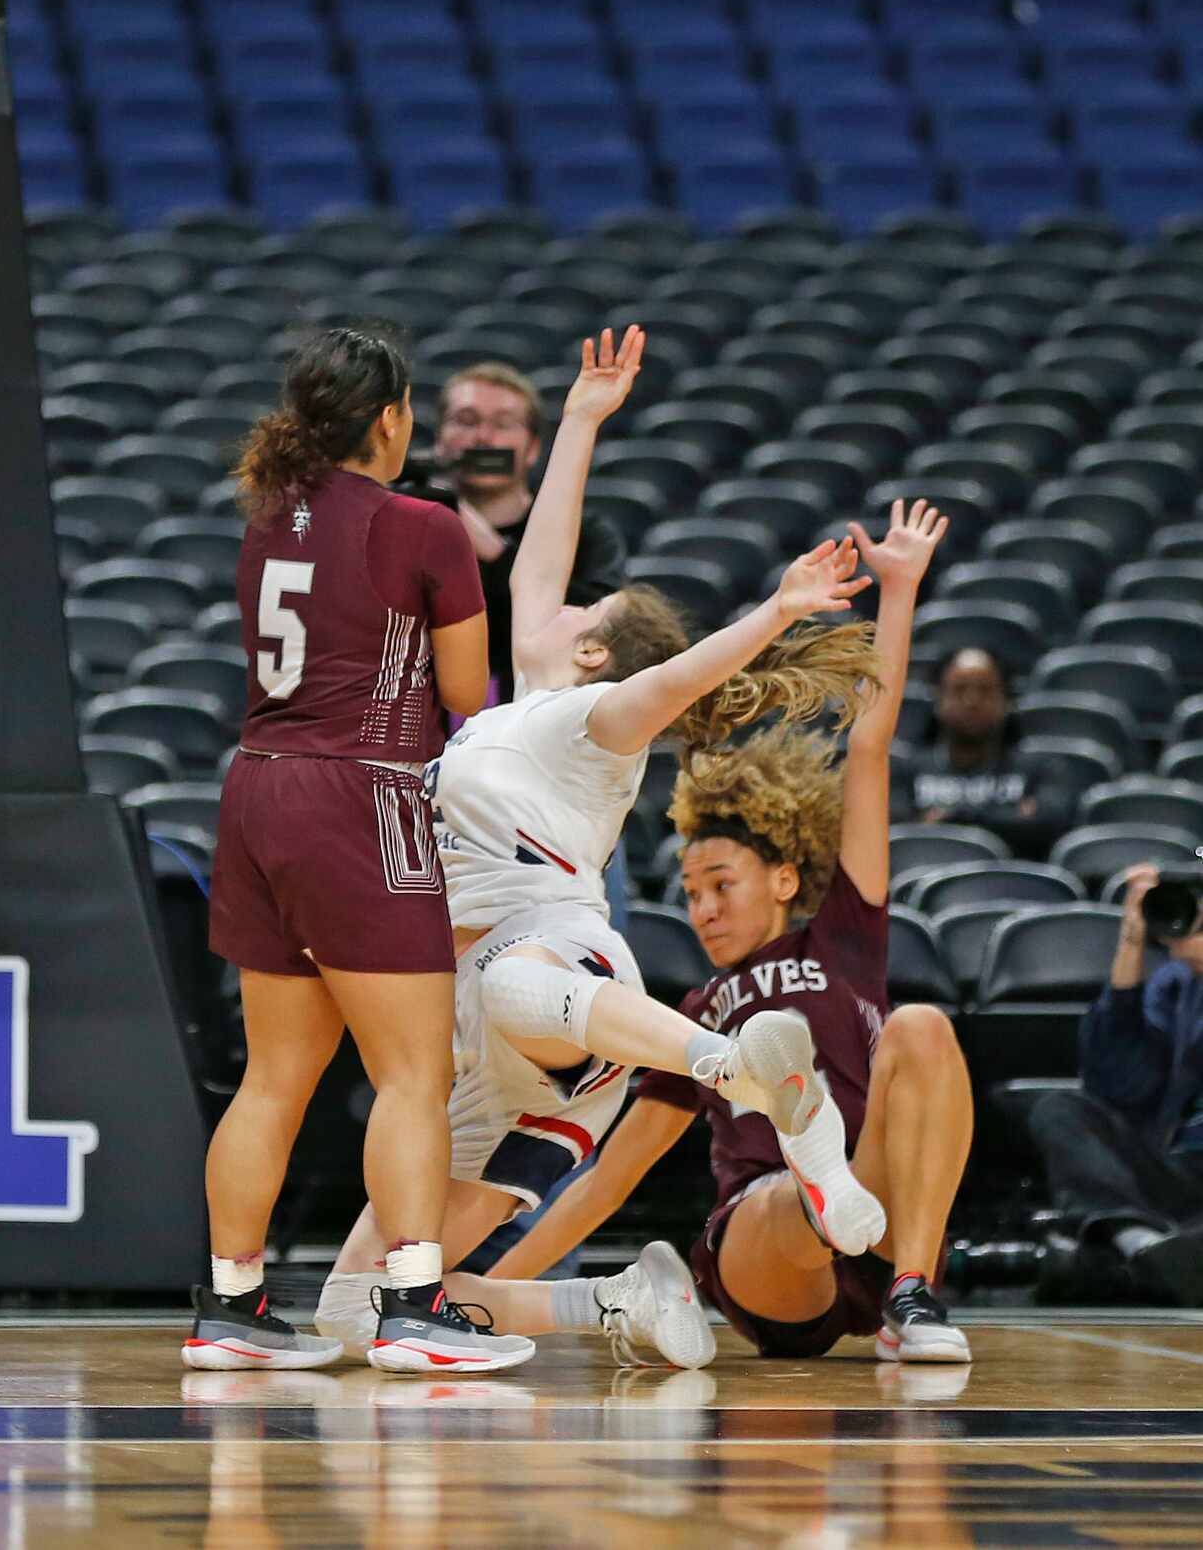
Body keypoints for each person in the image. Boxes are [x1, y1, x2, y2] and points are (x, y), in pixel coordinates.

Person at [315, 328, 887, 1369]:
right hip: (486, 1061)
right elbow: (543, 556)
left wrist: (778, 610)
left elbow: (671, 684)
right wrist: (580, 418)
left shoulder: (591, 722)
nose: (562, 598)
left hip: (560, 980)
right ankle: (620, 1301)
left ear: (591, 649)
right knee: (360, 1306)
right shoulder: (522, 705)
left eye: (586, 608)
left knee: (504, 983)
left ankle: (740, 1069)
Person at [489, 501, 978, 1368]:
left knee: (923, 1027)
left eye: (721, 884)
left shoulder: (844, 937)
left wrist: (897, 591)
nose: (702, 907)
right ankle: (816, 1187)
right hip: (767, 1250)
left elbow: (867, 748)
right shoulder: (695, 1008)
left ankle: (909, 1291)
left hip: (874, 1214)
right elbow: (611, 1176)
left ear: (784, 879)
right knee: (784, 1194)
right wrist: (484, 1292)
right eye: (689, 891)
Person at [186, 325, 532, 1376]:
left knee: (273, 1077)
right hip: (361, 792)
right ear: (390, 419)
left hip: (254, 788)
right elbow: (469, 698)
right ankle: (412, 1307)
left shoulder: (263, 521)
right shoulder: (424, 526)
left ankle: (232, 1310)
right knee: (413, 1075)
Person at [1028, 863, 1203, 1306]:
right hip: (1176, 1171)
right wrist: (1133, 934)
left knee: (1083, 1269)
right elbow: (1115, 1083)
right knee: (1060, 1110)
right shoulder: (1177, 983)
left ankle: (1122, 1255)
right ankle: (1136, 1239)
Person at [434, 361, 624, 705]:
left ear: (533, 447)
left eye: (503, 424)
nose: (483, 437)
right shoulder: (408, 523)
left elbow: (595, 628)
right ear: (439, 440)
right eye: (466, 421)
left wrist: (491, 548)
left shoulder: (588, 533)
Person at [891, 647, 1073, 857]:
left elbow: (1048, 826)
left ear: (1006, 701)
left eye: (985, 690)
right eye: (959, 689)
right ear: (938, 699)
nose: (972, 701)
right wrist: (1010, 817)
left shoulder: (1041, 767)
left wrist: (954, 817)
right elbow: (898, 833)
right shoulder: (905, 770)